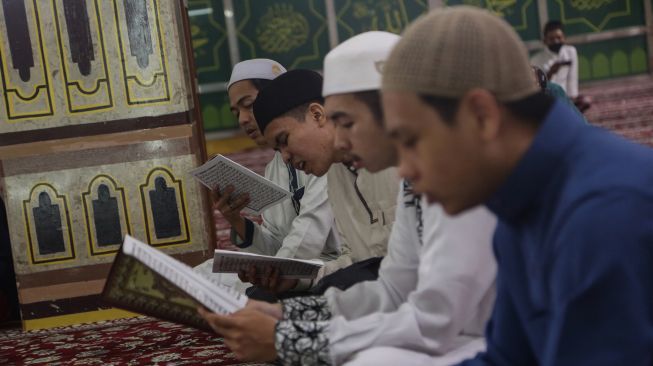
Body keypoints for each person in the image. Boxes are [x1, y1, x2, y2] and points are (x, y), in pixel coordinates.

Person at [198, 30, 498, 365]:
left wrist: (293, 338)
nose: (339, 140)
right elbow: (393, 288)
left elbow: (434, 319)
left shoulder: (464, 169)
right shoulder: (409, 171)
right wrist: (287, 314)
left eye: (346, 122)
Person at [381, 6, 653, 365]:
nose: (403, 170)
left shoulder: (601, 212)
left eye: (412, 141)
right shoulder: (519, 207)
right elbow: (508, 358)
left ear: (482, 116)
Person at [246, 68, 399, 295]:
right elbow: (355, 258)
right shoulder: (336, 174)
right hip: (378, 284)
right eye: (278, 149)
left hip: (415, 286)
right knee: (261, 296)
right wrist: (298, 280)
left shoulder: (396, 159)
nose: (285, 157)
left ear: (317, 115)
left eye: (284, 140)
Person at [197, 59, 340, 300]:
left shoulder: (326, 156)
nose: (242, 119)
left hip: (330, 266)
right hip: (301, 266)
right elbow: (278, 242)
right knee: (203, 274)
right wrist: (237, 221)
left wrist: (275, 277)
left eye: (249, 105)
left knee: (254, 295)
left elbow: (309, 233)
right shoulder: (276, 167)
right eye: (236, 112)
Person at [531, 20, 591, 113]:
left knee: (585, 101)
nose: (556, 41)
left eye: (559, 37)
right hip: (548, 98)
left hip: (566, 97)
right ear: (544, 41)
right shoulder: (535, 60)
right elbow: (539, 88)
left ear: (564, 38)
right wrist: (550, 72)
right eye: (551, 39)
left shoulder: (570, 52)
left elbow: (572, 78)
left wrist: (572, 98)